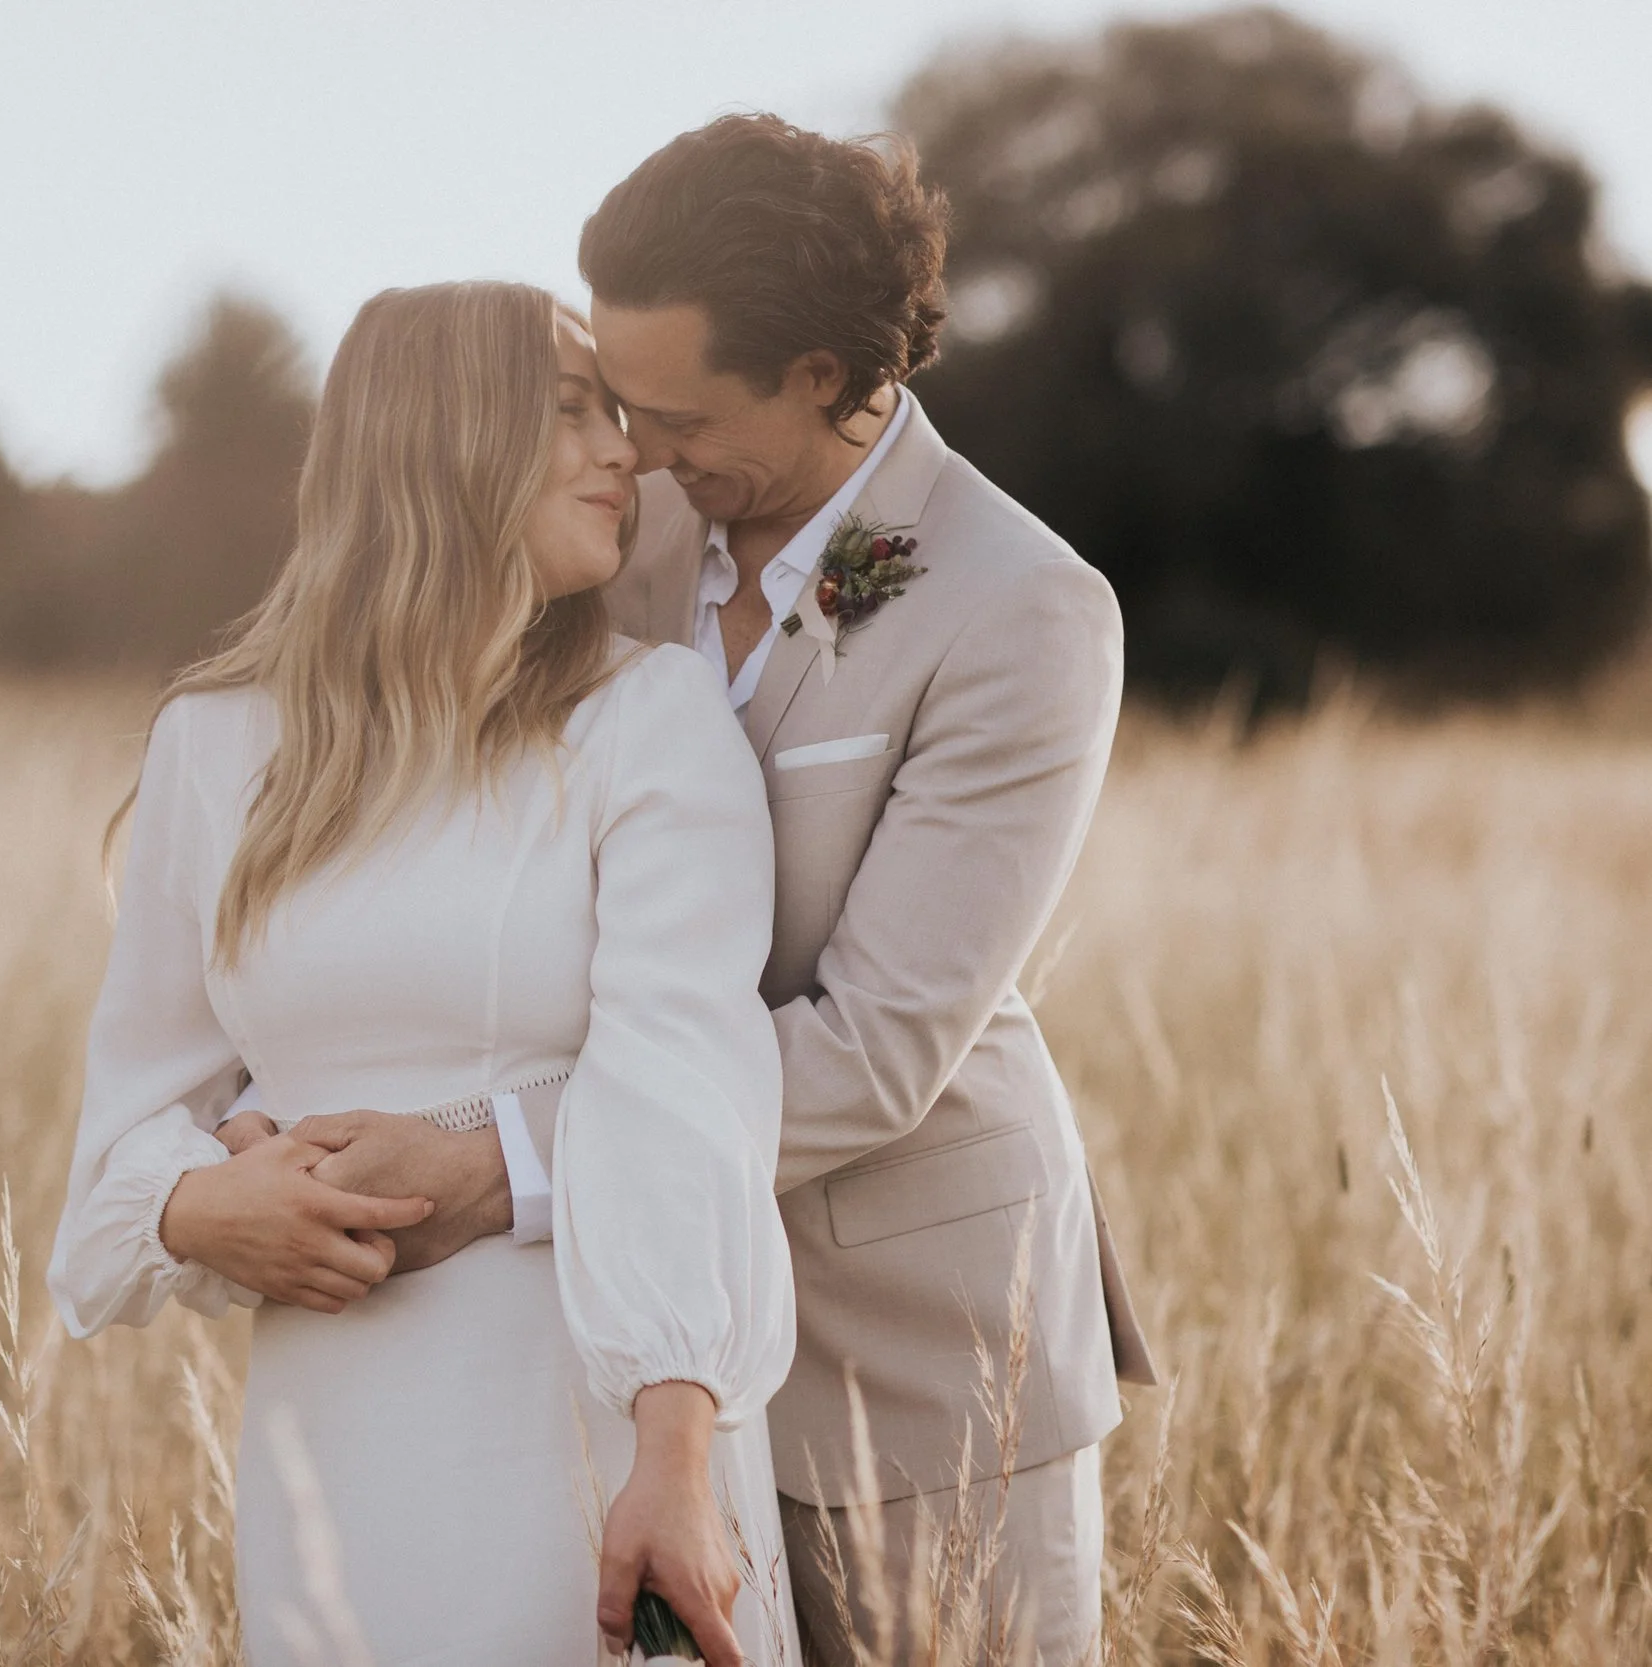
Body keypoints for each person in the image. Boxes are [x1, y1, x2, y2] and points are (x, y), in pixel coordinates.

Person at [212, 116, 1158, 1665]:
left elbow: (874, 1049)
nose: (637, 449)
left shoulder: (1023, 610)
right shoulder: (611, 528)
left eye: (675, 413)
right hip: (607, 1352)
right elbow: (422, 804)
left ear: (823, 377)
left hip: (912, 1341)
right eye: (614, 404)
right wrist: (289, 1083)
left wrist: (491, 1162)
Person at [46, 280, 803, 1665]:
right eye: (571, 414)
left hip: (598, 1418)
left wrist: (678, 1457)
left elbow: (684, 1093)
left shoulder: (646, 720)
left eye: (618, 419)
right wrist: (200, 1207)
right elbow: (108, 1175)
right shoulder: (216, 748)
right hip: (338, 1447)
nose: (621, 453)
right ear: (442, 436)